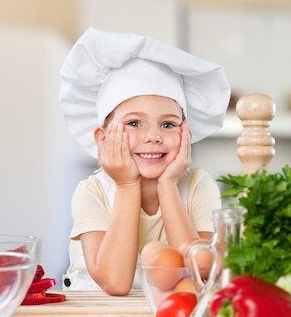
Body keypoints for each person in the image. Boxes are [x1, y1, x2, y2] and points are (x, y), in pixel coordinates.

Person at [59, 27, 230, 295]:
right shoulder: (92, 192)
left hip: (174, 315)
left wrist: (168, 186)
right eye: (134, 123)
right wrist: (127, 186)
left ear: (187, 133)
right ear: (102, 138)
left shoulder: (199, 185)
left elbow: (203, 272)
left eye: (168, 124)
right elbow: (115, 283)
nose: (153, 136)